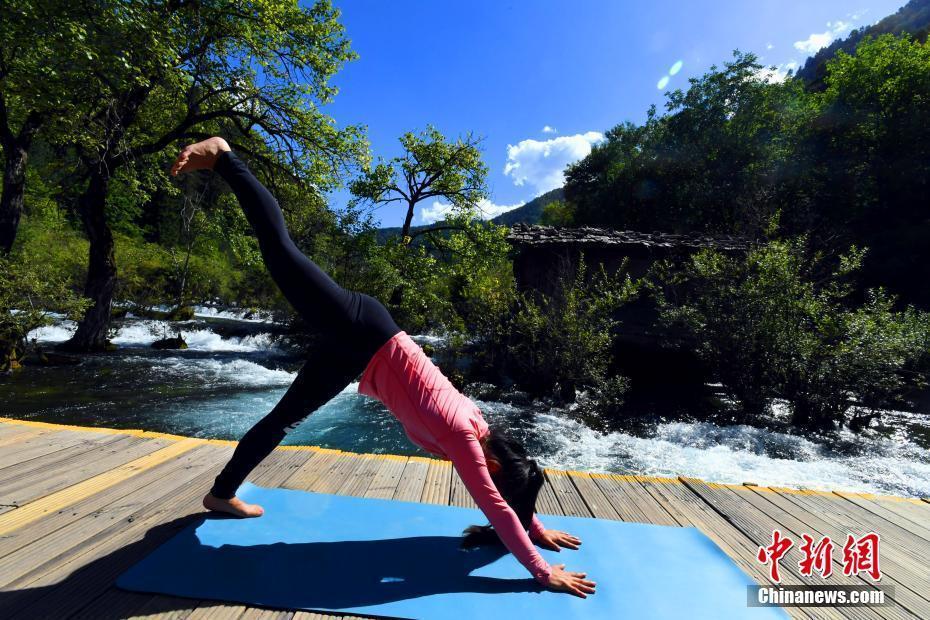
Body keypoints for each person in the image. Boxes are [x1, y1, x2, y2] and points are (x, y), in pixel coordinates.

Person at [170, 137, 596, 598]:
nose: (485, 478)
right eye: (493, 475)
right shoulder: (463, 437)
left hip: (358, 351)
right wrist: (540, 570)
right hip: (361, 328)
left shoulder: (485, 437)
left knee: (283, 418)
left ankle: (221, 494)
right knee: (279, 248)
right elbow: (496, 506)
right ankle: (225, 156)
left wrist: (535, 525)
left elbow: (508, 487)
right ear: (492, 464)